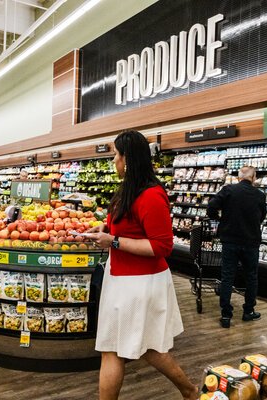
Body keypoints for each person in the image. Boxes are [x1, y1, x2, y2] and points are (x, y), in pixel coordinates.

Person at [87, 131, 197, 400]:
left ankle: (190, 390)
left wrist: (112, 241)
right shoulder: (128, 190)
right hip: (121, 278)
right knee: (128, 346)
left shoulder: (150, 196)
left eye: (116, 154)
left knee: (132, 347)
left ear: (129, 159)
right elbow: (124, 227)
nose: (114, 160)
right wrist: (104, 228)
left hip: (140, 283)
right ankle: (190, 391)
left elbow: (161, 247)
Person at [206, 166, 267, 329]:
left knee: (227, 277)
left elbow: (211, 207)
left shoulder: (228, 190)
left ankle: (226, 315)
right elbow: (262, 216)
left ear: (239, 177)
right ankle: (248, 311)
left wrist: (219, 219)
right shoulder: (260, 195)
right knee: (251, 277)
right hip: (251, 242)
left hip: (230, 241)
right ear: (253, 178)